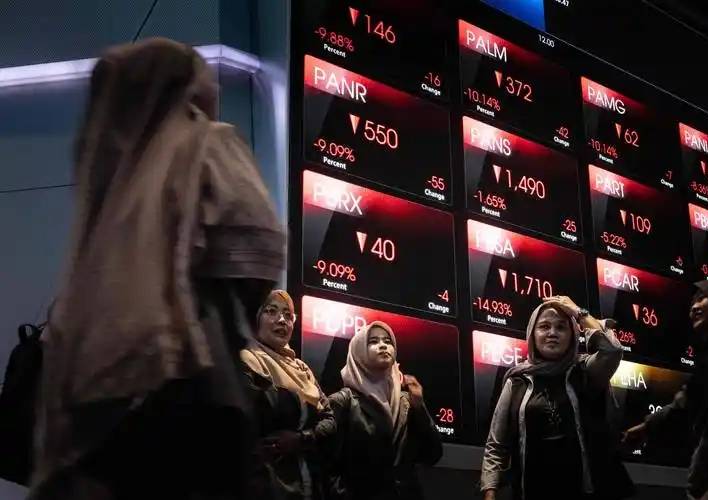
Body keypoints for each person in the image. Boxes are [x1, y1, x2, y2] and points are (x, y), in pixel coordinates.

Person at [31, 38, 285, 499]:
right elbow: (261, 247)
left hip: (99, 389)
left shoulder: (107, 172)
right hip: (192, 374)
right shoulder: (207, 140)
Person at [480, 296, 633, 500]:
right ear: (532, 334)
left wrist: (578, 312)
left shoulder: (586, 371)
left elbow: (611, 351)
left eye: (561, 327)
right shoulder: (516, 381)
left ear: (572, 335)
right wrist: (490, 492)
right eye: (544, 326)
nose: (552, 333)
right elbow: (496, 444)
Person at [623, 278, 708, 499]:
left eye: (702, 298)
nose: (694, 307)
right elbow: (684, 402)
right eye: (692, 302)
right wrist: (647, 427)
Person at [327, 321, 443, 500]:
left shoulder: (407, 402)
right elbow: (326, 465)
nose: (383, 345)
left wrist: (419, 407)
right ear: (359, 352)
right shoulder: (343, 402)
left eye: (388, 341)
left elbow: (432, 455)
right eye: (373, 341)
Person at [241, 290, 336, 500]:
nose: (282, 320)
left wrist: (301, 439)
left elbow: (330, 420)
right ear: (256, 318)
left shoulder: (302, 369)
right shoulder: (248, 361)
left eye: (288, 315)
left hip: (311, 483)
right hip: (269, 485)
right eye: (271, 311)